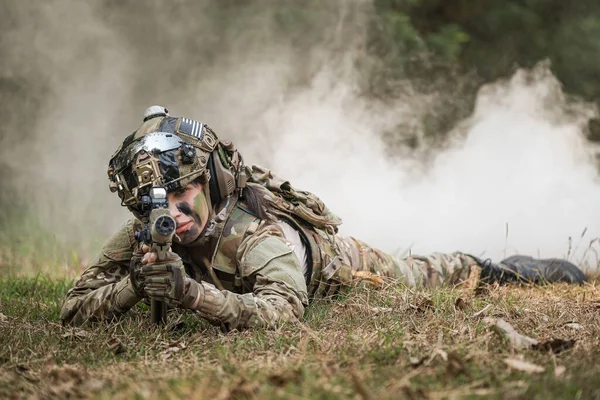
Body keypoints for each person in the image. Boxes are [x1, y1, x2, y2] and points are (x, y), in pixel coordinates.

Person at [60, 106, 587, 330]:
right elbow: (73, 309)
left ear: (212, 182)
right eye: (156, 204)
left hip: (339, 267)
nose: (170, 215)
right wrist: (135, 283)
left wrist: (189, 294)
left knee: (430, 270)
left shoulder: (253, 236)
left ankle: (508, 267)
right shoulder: (149, 229)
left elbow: (284, 312)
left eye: (183, 197)